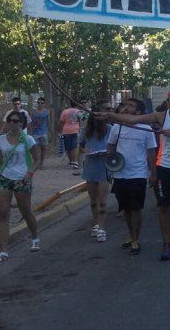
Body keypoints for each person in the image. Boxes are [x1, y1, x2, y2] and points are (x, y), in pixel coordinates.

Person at [96, 87, 170, 261]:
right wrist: (109, 116)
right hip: (164, 167)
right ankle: (166, 243)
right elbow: (133, 118)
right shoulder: (161, 116)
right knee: (163, 206)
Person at [0, 111, 42, 263]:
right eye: (9, 120)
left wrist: (30, 174)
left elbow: (37, 159)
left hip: (22, 178)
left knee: (25, 211)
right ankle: (4, 251)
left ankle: (35, 237)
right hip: (4, 178)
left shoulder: (28, 139)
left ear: (22, 123)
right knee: (3, 214)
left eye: (16, 121)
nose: (12, 123)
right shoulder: (0, 140)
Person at [106, 98, 157, 256]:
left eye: (131, 106)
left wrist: (153, 174)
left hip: (138, 174)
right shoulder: (117, 128)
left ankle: (135, 239)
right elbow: (110, 148)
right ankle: (131, 235)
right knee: (126, 209)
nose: (126, 108)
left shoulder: (146, 129)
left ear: (139, 112)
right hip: (120, 173)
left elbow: (151, 153)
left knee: (135, 208)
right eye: (126, 105)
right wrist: (110, 167)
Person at [79, 100, 112, 243]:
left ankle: (102, 227)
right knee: (93, 200)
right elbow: (81, 147)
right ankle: (96, 222)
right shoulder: (86, 131)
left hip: (104, 166)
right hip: (90, 166)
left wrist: (108, 152)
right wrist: (86, 150)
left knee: (102, 200)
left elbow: (115, 146)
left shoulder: (110, 129)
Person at [60, 101, 81, 170]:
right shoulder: (79, 112)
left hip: (66, 131)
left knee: (68, 146)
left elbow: (62, 121)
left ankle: (71, 160)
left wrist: (60, 130)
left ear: (70, 104)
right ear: (77, 104)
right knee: (75, 146)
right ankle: (75, 161)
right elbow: (81, 121)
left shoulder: (65, 112)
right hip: (76, 130)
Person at [30, 97, 49, 166]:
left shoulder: (47, 112)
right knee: (35, 148)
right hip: (35, 132)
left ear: (44, 104)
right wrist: (30, 131)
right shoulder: (33, 111)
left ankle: (41, 162)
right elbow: (30, 122)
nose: (40, 104)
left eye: (42, 103)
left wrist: (49, 131)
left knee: (43, 147)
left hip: (44, 132)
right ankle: (36, 162)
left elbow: (48, 121)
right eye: (39, 103)